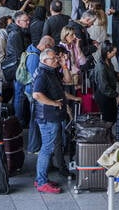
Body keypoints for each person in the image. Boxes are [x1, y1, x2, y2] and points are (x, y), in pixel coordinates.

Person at [32, 48, 80, 193]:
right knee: (47, 149)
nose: (56, 60)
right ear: (44, 60)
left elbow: (68, 80)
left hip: (54, 116)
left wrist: (64, 65)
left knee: (48, 148)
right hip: (47, 117)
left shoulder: (52, 72)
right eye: (53, 59)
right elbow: (36, 95)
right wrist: (54, 103)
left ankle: (41, 178)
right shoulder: (42, 74)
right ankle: (41, 182)